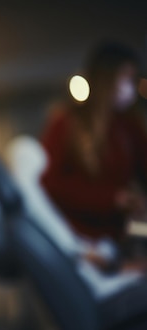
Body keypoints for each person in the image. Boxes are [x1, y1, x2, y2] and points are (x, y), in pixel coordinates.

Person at [40, 41, 147, 271]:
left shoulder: (129, 126)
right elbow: (52, 185)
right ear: (106, 79)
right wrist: (112, 198)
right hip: (85, 242)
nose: (131, 87)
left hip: (118, 239)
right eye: (126, 78)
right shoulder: (66, 123)